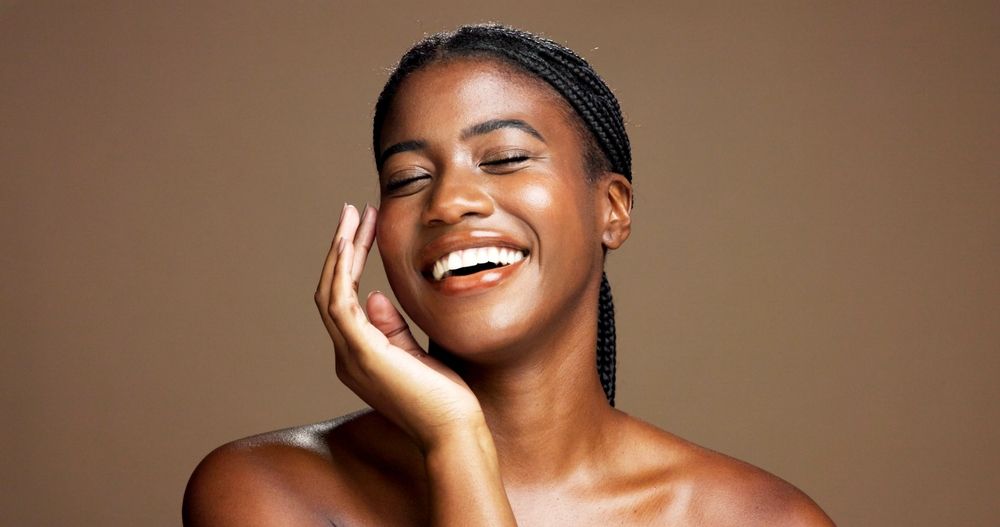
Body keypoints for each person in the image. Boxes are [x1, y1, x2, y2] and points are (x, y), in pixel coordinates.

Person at [183, 24, 834, 526]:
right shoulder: (267, 490)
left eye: (505, 157)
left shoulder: (758, 517)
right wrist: (454, 438)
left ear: (612, 208)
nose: (448, 203)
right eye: (409, 178)